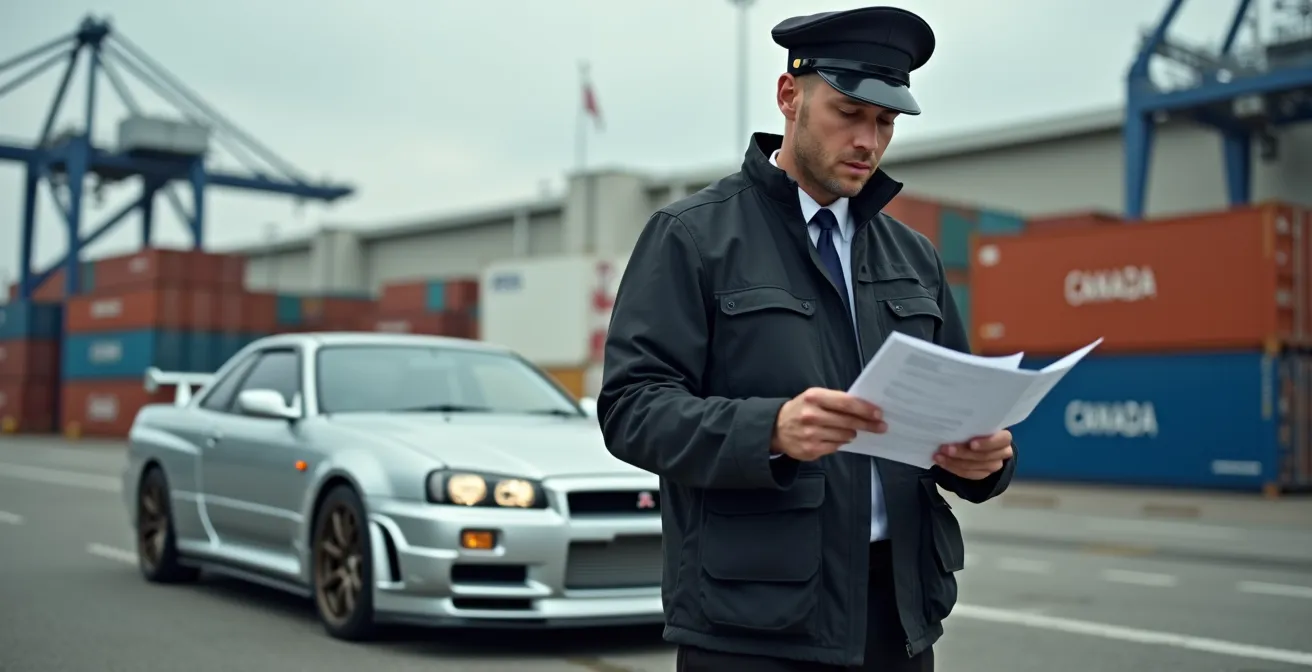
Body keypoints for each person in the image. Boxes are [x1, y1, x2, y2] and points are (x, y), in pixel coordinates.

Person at [595, 5, 1017, 672]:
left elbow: (955, 412)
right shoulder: (693, 237)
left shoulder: (914, 258)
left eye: (885, 122)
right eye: (849, 112)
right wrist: (770, 430)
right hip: (753, 626)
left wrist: (984, 461)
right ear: (790, 95)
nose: (868, 141)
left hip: (899, 622)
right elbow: (632, 409)